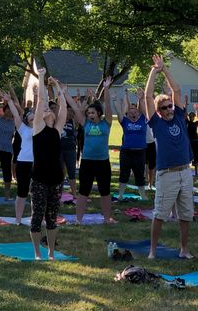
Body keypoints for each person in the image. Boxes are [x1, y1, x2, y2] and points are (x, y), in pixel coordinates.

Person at [142, 54, 195, 259]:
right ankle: (153, 251)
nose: (169, 109)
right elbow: (147, 97)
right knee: (160, 214)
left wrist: (164, 69)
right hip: (167, 174)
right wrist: (153, 72)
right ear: (158, 111)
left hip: (185, 172)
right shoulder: (156, 123)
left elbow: (177, 90)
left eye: (170, 106)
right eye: (164, 108)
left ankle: (184, 249)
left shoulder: (180, 116)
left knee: (186, 214)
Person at [66, 77, 117, 225]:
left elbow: (108, 106)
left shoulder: (107, 122)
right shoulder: (85, 123)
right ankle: (78, 219)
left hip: (103, 162)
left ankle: (107, 218)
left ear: (99, 113)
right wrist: (65, 93)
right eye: (88, 113)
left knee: (105, 191)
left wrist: (106, 89)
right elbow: (75, 108)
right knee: (83, 191)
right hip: (87, 162)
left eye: (93, 112)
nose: (90, 115)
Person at [29, 72, 68, 259]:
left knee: (52, 218)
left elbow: (64, 110)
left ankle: (51, 251)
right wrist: (42, 77)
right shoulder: (37, 128)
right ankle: (37, 252)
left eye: (49, 109)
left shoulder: (57, 130)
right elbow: (41, 100)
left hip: (56, 179)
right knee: (37, 216)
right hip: (39, 179)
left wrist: (59, 88)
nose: (47, 110)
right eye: (45, 110)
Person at [0, 90, 34, 225]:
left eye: (34, 117)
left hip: (37, 164)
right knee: (22, 192)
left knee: (36, 192)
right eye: (30, 118)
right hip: (23, 162)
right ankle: (18, 219)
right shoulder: (23, 128)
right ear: (27, 120)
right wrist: (9, 100)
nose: (33, 119)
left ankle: (35, 218)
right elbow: (15, 114)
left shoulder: (42, 129)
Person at [117, 88, 148, 201]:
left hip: (140, 152)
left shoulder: (143, 120)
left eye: (135, 111)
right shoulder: (125, 121)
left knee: (140, 174)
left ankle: (143, 195)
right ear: (128, 112)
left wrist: (140, 98)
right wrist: (116, 100)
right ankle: (120, 194)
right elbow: (119, 112)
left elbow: (143, 110)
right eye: (131, 111)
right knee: (124, 173)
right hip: (126, 152)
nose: (133, 112)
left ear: (138, 112)